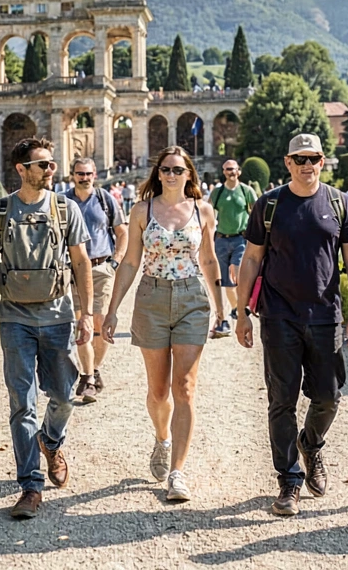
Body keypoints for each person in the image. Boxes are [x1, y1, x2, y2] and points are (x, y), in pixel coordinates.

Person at [234, 133, 348, 516]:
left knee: (328, 396)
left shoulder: (340, 203)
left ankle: (311, 444)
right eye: (300, 159)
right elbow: (251, 259)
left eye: (313, 158)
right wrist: (241, 312)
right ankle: (289, 480)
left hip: (325, 315)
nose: (307, 165)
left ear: (323, 162)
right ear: (288, 162)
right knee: (282, 400)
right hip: (279, 315)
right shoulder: (269, 204)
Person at [0, 137, 95, 520]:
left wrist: (87, 314)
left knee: (65, 396)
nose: (51, 170)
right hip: (14, 318)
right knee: (21, 404)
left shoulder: (65, 209)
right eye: (43, 164)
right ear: (21, 169)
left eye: (52, 163)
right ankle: (30, 486)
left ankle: (51, 441)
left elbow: (82, 262)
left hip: (58, 316)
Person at [104, 145, 226, 503]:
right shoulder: (142, 210)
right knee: (158, 392)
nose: (171, 175)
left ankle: (177, 473)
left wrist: (222, 308)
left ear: (189, 174)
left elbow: (209, 259)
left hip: (191, 298)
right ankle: (162, 438)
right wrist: (112, 310)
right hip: (151, 298)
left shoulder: (203, 210)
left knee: (184, 388)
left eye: (178, 169)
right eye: (166, 169)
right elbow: (130, 262)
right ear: (158, 174)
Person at [67, 157, 127, 403]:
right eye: (80, 173)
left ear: (95, 175)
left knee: (100, 324)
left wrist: (115, 261)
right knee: (82, 323)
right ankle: (88, 376)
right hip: (73, 270)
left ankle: (94, 369)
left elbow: (122, 232)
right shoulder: (63, 201)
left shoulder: (105, 199)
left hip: (101, 268)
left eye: (88, 174)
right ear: (73, 175)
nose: (84, 178)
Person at [208, 159, 258, 336]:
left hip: (240, 239)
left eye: (234, 169)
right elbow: (208, 214)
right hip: (221, 240)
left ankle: (239, 308)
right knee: (226, 282)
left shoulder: (246, 191)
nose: (231, 172)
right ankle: (237, 308)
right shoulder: (217, 192)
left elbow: (256, 212)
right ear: (224, 171)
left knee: (235, 273)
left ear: (239, 171)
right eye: (228, 169)